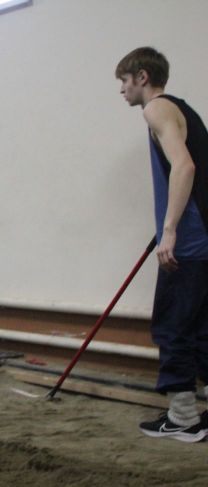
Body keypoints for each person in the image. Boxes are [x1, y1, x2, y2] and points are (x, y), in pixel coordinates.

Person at [116, 47, 208, 442]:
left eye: (124, 80)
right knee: (201, 327)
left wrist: (170, 229)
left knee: (172, 326)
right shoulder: (183, 109)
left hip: (190, 241)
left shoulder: (157, 108)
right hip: (201, 238)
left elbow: (184, 166)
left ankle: (183, 418)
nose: (121, 89)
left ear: (142, 76)